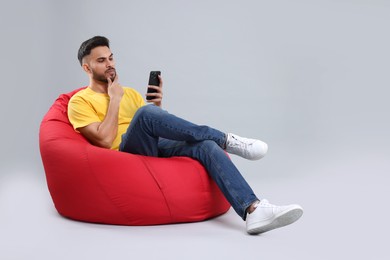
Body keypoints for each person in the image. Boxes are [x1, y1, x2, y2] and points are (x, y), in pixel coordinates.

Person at [68, 36, 303, 235]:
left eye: (111, 57)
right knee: (145, 113)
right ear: (87, 68)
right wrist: (115, 98)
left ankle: (253, 210)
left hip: (152, 147)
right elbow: (104, 140)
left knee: (206, 145)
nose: (109, 64)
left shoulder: (129, 93)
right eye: (101, 61)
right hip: (123, 155)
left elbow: (153, 126)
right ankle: (227, 139)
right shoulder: (79, 101)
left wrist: (157, 105)